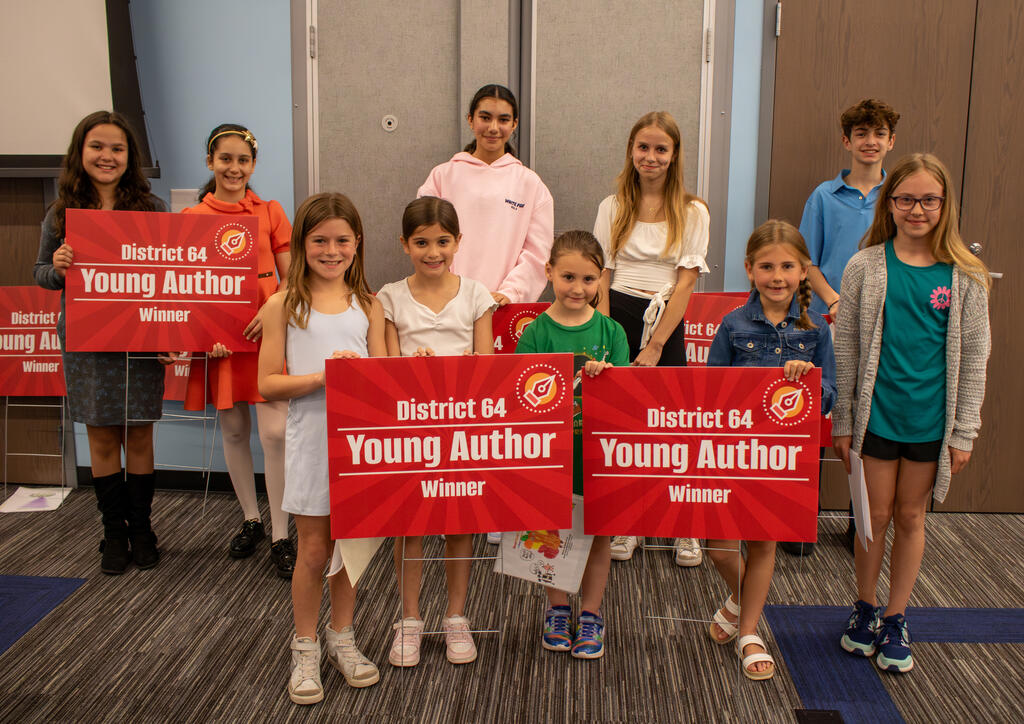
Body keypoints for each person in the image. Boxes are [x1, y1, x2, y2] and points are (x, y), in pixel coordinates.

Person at [833, 153, 990, 674]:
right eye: (906, 199)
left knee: (911, 516)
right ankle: (865, 607)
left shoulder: (965, 275)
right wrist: (843, 420)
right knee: (874, 518)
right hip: (876, 417)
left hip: (930, 424)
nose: (917, 209)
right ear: (890, 203)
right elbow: (847, 349)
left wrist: (964, 431)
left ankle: (896, 617)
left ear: (945, 205)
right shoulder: (865, 266)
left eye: (929, 200)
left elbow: (975, 359)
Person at [258, 192, 386, 704]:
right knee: (313, 551)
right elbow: (268, 383)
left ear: (358, 243)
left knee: (350, 549)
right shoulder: (282, 305)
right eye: (319, 241)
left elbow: (383, 379)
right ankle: (305, 646)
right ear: (301, 244)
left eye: (342, 240)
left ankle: (342, 637)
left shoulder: (370, 305)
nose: (331, 251)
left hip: (360, 445)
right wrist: (322, 377)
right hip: (312, 441)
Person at [34, 110, 172, 575]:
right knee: (101, 434)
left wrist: (172, 333)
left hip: (141, 336)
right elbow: (40, 274)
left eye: (117, 148)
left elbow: (171, 277)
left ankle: (143, 530)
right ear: (81, 152)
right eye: (97, 146)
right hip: (87, 340)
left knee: (139, 432)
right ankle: (114, 532)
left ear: (130, 156)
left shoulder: (153, 210)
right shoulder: (61, 213)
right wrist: (57, 267)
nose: (107, 156)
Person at [419, 83, 553, 544]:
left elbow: (537, 253)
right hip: (446, 306)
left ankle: (494, 507)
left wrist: (505, 294)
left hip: (502, 311)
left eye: (503, 119)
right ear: (470, 120)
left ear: (514, 125)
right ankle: (450, 502)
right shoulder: (442, 176)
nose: (493, 127)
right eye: (485, 117)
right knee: (448, 408)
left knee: (497, 411)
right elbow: (426, 235)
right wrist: (451, 289)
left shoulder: (530, 184)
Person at [704, 219, 836, 680]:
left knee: (763, 544)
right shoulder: (732, 324)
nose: (776, 276)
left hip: (779, 458)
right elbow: (709, 392)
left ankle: (749, 631)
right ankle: (739, 601)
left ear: (803, 271)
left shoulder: (816, 330)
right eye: (766, 267)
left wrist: (807, 383)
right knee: (719, 549)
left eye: (787, 266)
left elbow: (829, 395)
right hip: (731, 452)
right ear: (749, 269)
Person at [378, 196, 495, 667]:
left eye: (443, 241)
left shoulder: (477, 295)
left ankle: (456, 616)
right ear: (404, 244)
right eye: (421, 242)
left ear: (458, 242)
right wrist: (413, 369)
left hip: (462, 429)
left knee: (458, 524)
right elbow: (385, 370)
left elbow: (487, 367)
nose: (433, 252)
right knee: (410, 525)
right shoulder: (388, 298)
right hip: (411, 431)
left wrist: (458, 370)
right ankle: (409, 618)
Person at [593, 110, 710, 565]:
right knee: (624, 426)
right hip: (617, 314)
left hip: (665, 320)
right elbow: (603, 276)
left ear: (674, 155)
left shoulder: (693, 210)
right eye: (643, 147)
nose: (651, 156)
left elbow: (686, 283)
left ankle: (684, 525)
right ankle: (629, 523)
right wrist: (608, 334)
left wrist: (658, 344)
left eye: (661, 149)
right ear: (631, 150)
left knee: (673, 426)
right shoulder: (612, 205)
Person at [183, 124, 295, 577]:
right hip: (221, 347)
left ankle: (281, 533)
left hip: (267, 337)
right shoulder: (191, 217)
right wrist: (202, 333)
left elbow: (291, 279)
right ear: (210, 162)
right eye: (225, 159)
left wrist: (271, 309)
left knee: (275, 435)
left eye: (243, 160)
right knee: (232, 432)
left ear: (253, 165)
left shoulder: (270, 211)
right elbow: (187, 288)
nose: (234, 168)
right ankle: (251, 518)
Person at [793, 99, 900, 557]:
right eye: (861, 134)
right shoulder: (823, 196)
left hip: (881, 326)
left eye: (878, 134)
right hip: (826, 321)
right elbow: (805, 261)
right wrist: (836, 300)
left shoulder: (898, 197)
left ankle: (862, 521)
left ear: (891, 141)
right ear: (847, 141)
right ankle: (802, 520)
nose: (870, 142)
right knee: (816, 416)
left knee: (866, 418)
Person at [516, 230, 628, 659]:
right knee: (551, 532)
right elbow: (521, 396)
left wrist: (608, 377)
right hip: (551, 456)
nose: (578, 288)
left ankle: (592, 614)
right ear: (548, 272)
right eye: (568, 277)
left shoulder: (612, 331)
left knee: (599, 536)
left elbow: (627, 398)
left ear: (601, 279)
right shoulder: (536, 333)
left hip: (597, 455)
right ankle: (558, 610)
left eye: (588, 279)